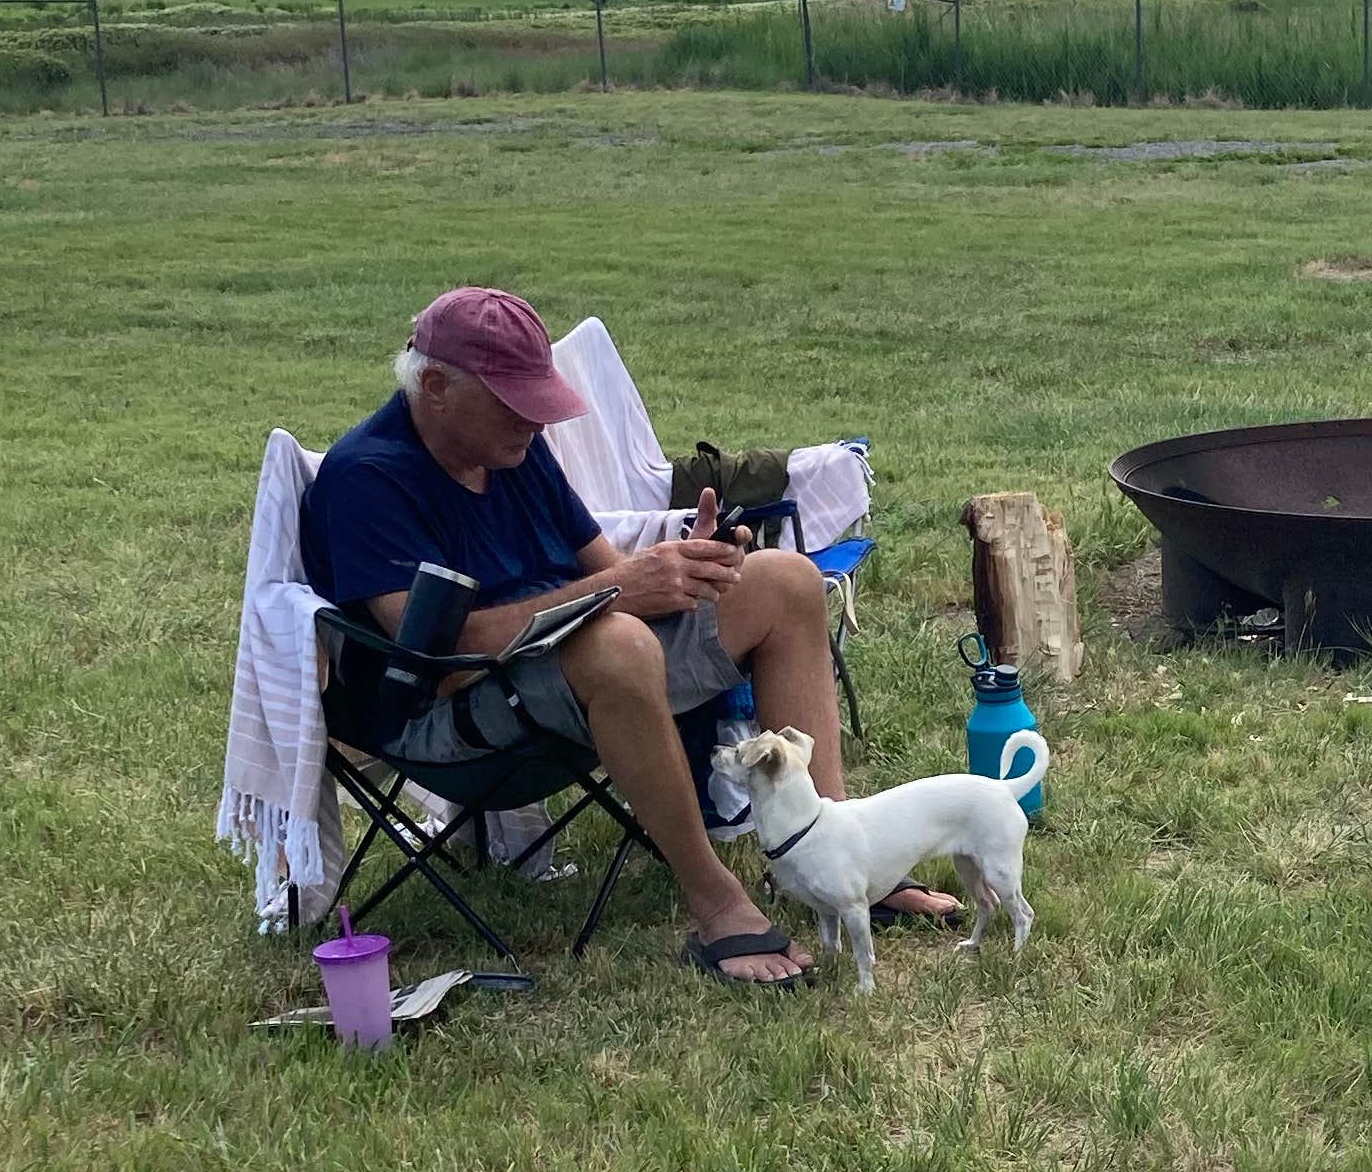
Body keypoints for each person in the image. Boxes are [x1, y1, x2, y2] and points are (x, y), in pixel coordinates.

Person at [301, 287, 953, 987]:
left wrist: (682, 574)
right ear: (434, 385)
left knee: (786, 582)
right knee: (620, 643)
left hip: (577, 667)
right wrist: (620, 592)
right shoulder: (367, 477)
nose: (533, 421)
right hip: (456, 715)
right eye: (513, 402)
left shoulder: (512, 451)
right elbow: (438, 654)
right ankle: (715, 902)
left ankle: (837, 853)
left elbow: (607, 575)